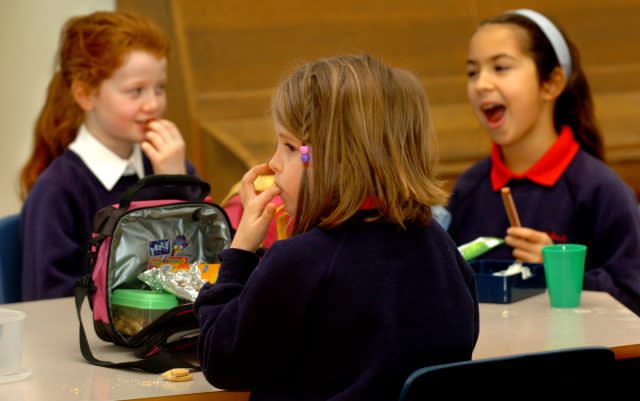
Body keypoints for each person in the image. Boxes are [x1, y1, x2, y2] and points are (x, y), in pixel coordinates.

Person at [194, 55, 479, 401]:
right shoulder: (437, 242)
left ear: (334, 158)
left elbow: (222, 361)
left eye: (288, 147)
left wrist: (239, 253)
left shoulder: (299, 261)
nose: (272, 163)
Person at [448, 9, 640, 314]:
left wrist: (558, 270)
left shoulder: (601, 190)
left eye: (500, 67)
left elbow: (632, 293)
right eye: (473, 71)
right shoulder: (469, 188)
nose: (481, 83)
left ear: (551, 83)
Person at [19, 11, 197, 301]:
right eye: (135, 91)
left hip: (166, 337)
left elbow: (201, 270)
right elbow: (48, 303)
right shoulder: (57, 191)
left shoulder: (169, 165)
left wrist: (177, 184)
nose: (153, 104)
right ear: (86, 94)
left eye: (160, 88)